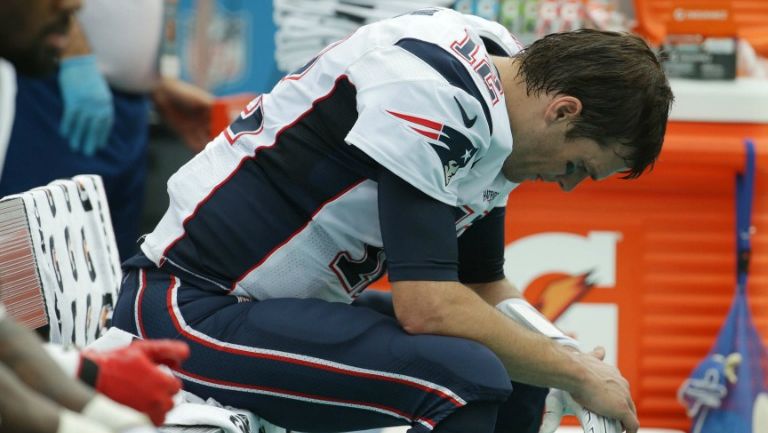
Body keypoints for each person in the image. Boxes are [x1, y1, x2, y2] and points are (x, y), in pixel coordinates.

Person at [112, 7, 673, 433]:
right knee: (466, 380)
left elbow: (480, 282)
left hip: (264, 307)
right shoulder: (436, 93)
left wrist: (564, 353)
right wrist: (576, 375)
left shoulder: (505, 80)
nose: (568, 184)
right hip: (187, 309)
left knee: (523, 374)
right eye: (578, 165)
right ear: (563, 110)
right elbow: (428, 306)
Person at [0, 1, 190, 432]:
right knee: (32, 291)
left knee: (97, 298)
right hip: (53, 87)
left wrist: (93, 392)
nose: (75, 5)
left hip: (116, 96)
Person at [0, 0, 212, 261]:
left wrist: (149, 84)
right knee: (42, 258)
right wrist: (74, 50)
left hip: (128, 106)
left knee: (111, 265)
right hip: (58, 84)